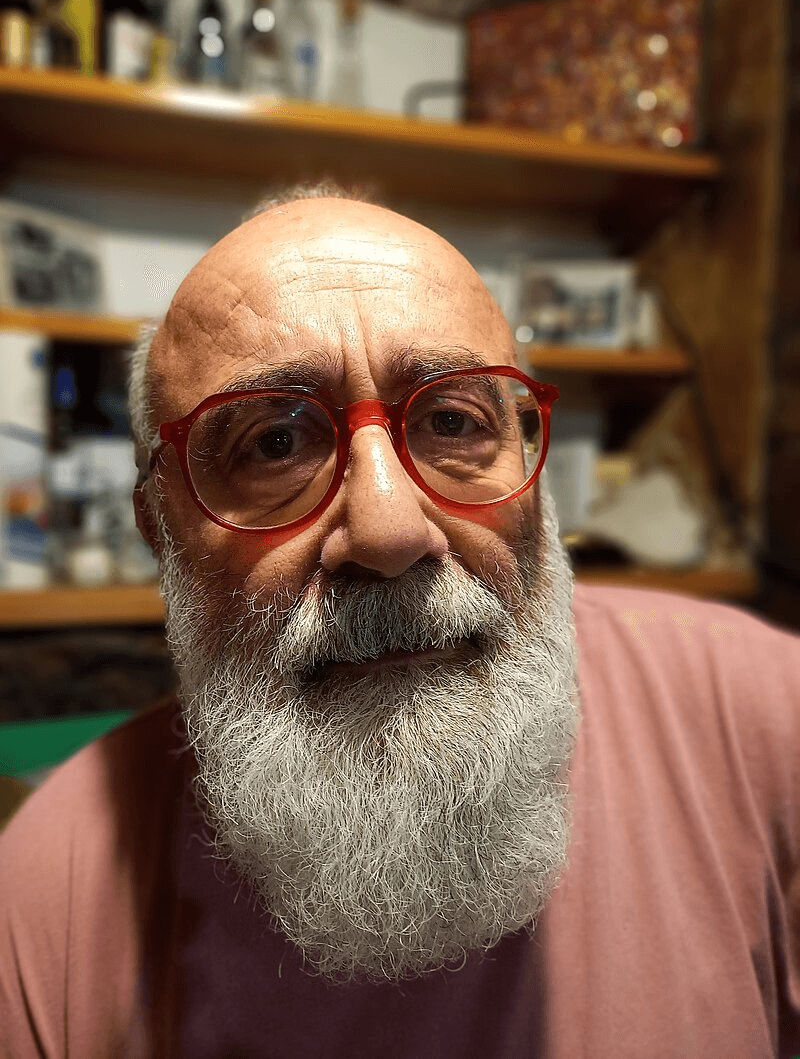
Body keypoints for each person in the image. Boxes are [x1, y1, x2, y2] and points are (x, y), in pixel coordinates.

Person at [1, 184, 799, 1059]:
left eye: (453, 420)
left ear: (532, 465)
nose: (387, 531)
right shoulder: (48, 899)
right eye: (274, 443)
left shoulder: (765, 718)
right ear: (162, 532)